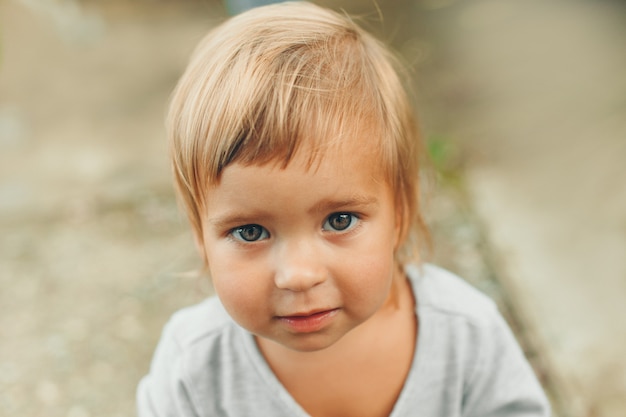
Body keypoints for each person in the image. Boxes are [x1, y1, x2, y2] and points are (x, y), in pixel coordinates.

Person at [137, 2, 551, 416]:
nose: (298, 275)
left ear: (401, 211)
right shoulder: (192, 367)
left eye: (339, 220)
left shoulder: (465, 334)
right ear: (200, 235)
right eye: (250, 232)